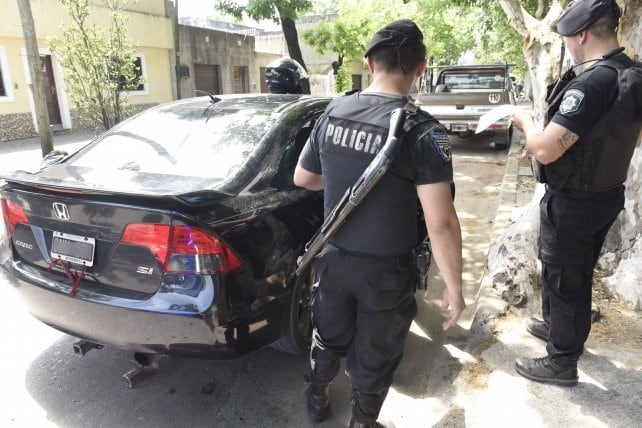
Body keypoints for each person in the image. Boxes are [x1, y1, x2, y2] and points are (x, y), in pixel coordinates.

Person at [293, 19, 465, 427]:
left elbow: (304, 178)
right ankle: (363, 421)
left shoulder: (334, 110)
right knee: (376, 355)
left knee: (328, 335)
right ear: (421, 67)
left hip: (331, 259)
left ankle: (316, 399)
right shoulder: (424, 133)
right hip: (387, 273)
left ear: (370, 63)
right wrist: (455, 288)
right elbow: (440, 222)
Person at [511, 0, 642, 386]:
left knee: (565, 277)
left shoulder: (591, 82)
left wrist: (527, 121)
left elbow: (546, 149)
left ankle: (561, 362)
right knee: (572, 271)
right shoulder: (632, 73)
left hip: (573, 201)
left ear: (581, 34)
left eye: (567, 37)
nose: (566, 44)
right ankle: (557, 328)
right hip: (606, 194)